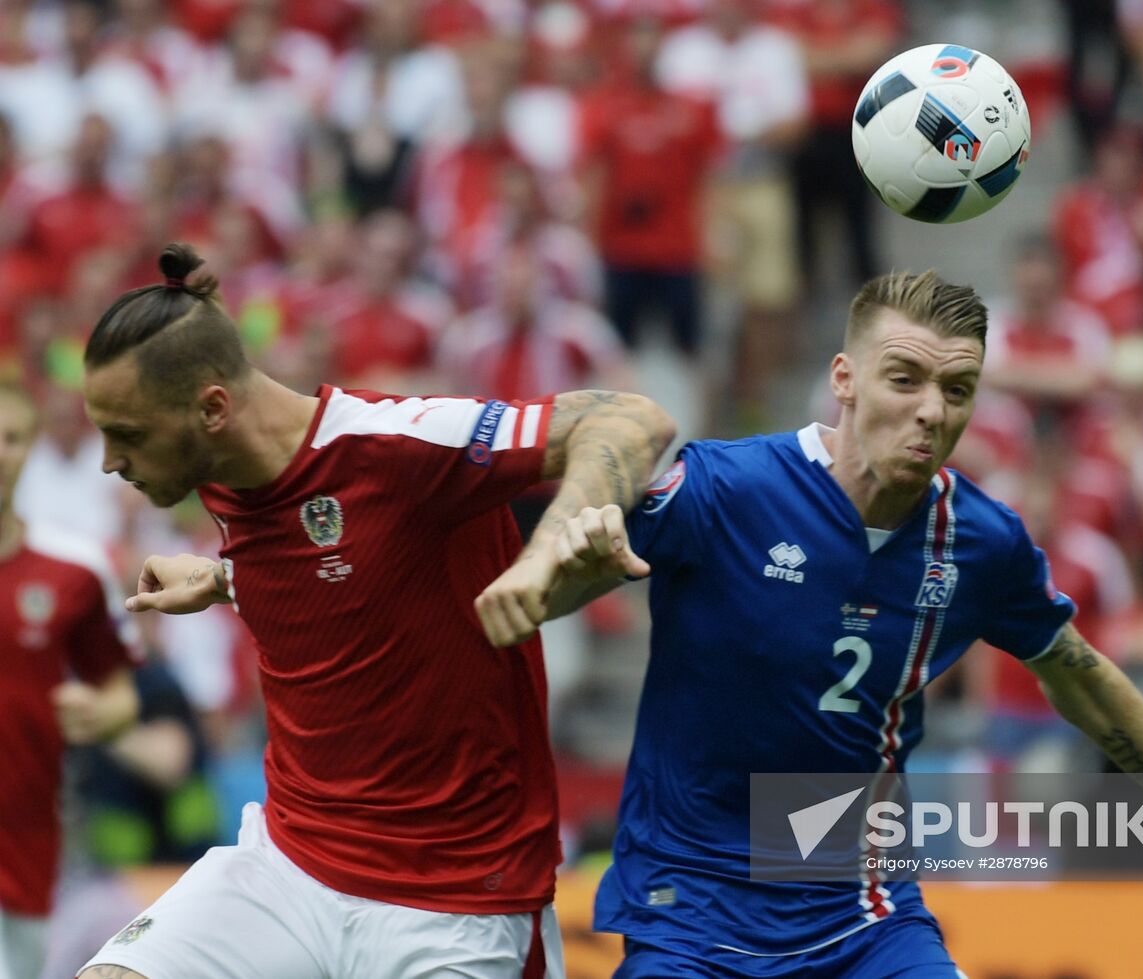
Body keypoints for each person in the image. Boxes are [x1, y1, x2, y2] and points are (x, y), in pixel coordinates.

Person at [479, 271, 1143, 977]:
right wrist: (562, 563)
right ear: (844, 378)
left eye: (958, 390)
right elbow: (543, 597)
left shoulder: (982, 540)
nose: (932, 411)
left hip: (861, 912)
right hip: (689, 905)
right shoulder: (726, 488)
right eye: (904, 378)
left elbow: (1080, 677)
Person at [75, 242, 675, 979]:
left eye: (126, 435)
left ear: (213, 409)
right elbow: (335, 550)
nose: (110, 459)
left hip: (455, 901)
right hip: (289, 866)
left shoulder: (403, 444)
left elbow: (631, 419)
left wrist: (545, 550)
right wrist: (230, 576)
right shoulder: (222, 456)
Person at [0, 381, 140, 979]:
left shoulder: (74, 571)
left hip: (27, 841)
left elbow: (119, 695)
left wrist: (101, 713)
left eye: (10, 437)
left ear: (31, 448)